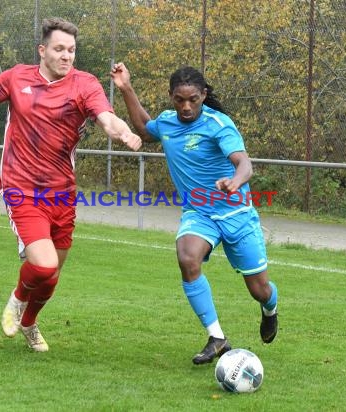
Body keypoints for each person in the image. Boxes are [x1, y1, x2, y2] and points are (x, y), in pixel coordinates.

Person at [0, 18, 142, 352]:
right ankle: (16, 302)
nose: (66, 56)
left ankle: (29, 323)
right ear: (42, 51)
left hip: (62, 193)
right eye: (59, 49)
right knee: (43, 266)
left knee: (53, 273)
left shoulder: (84, 84)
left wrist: (123, 131)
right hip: (21, 188)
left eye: (71, 50)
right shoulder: (16, 78)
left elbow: (106, 118)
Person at [111, 63, 278, 364]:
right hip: (199, 213)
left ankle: (270, 309)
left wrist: (234, 182)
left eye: (193, 100)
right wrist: (125, 88)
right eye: (179, 100)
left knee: (260, 290)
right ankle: (217, 338)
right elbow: (145, 130)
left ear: (203, 95)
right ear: (171, 97)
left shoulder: (218, 124)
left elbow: (245, 164)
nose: (186, 107)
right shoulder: (167, 123)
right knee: (187, 257)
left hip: (236, 212)